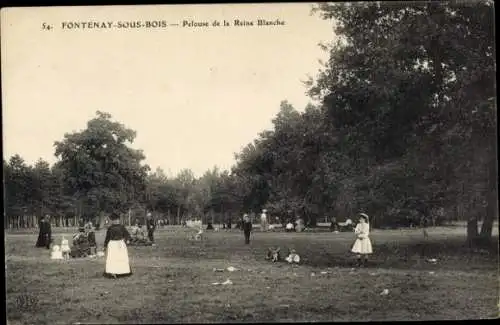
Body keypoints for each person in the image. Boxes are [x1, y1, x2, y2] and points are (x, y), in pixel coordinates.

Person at [103, 212, 132, 278]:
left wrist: (127, 240)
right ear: (112, 221)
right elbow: (107, 238)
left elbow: (127, 235)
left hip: (120, 244)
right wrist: (105, 246)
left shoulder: (122, 227)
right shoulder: (110, 228)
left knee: (121, 258)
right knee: (113, 258)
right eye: (114, 220)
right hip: (112, 244)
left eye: (116, 220)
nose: (115, 221)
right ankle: (113, 272)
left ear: (118, 220)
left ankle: (122, 271)